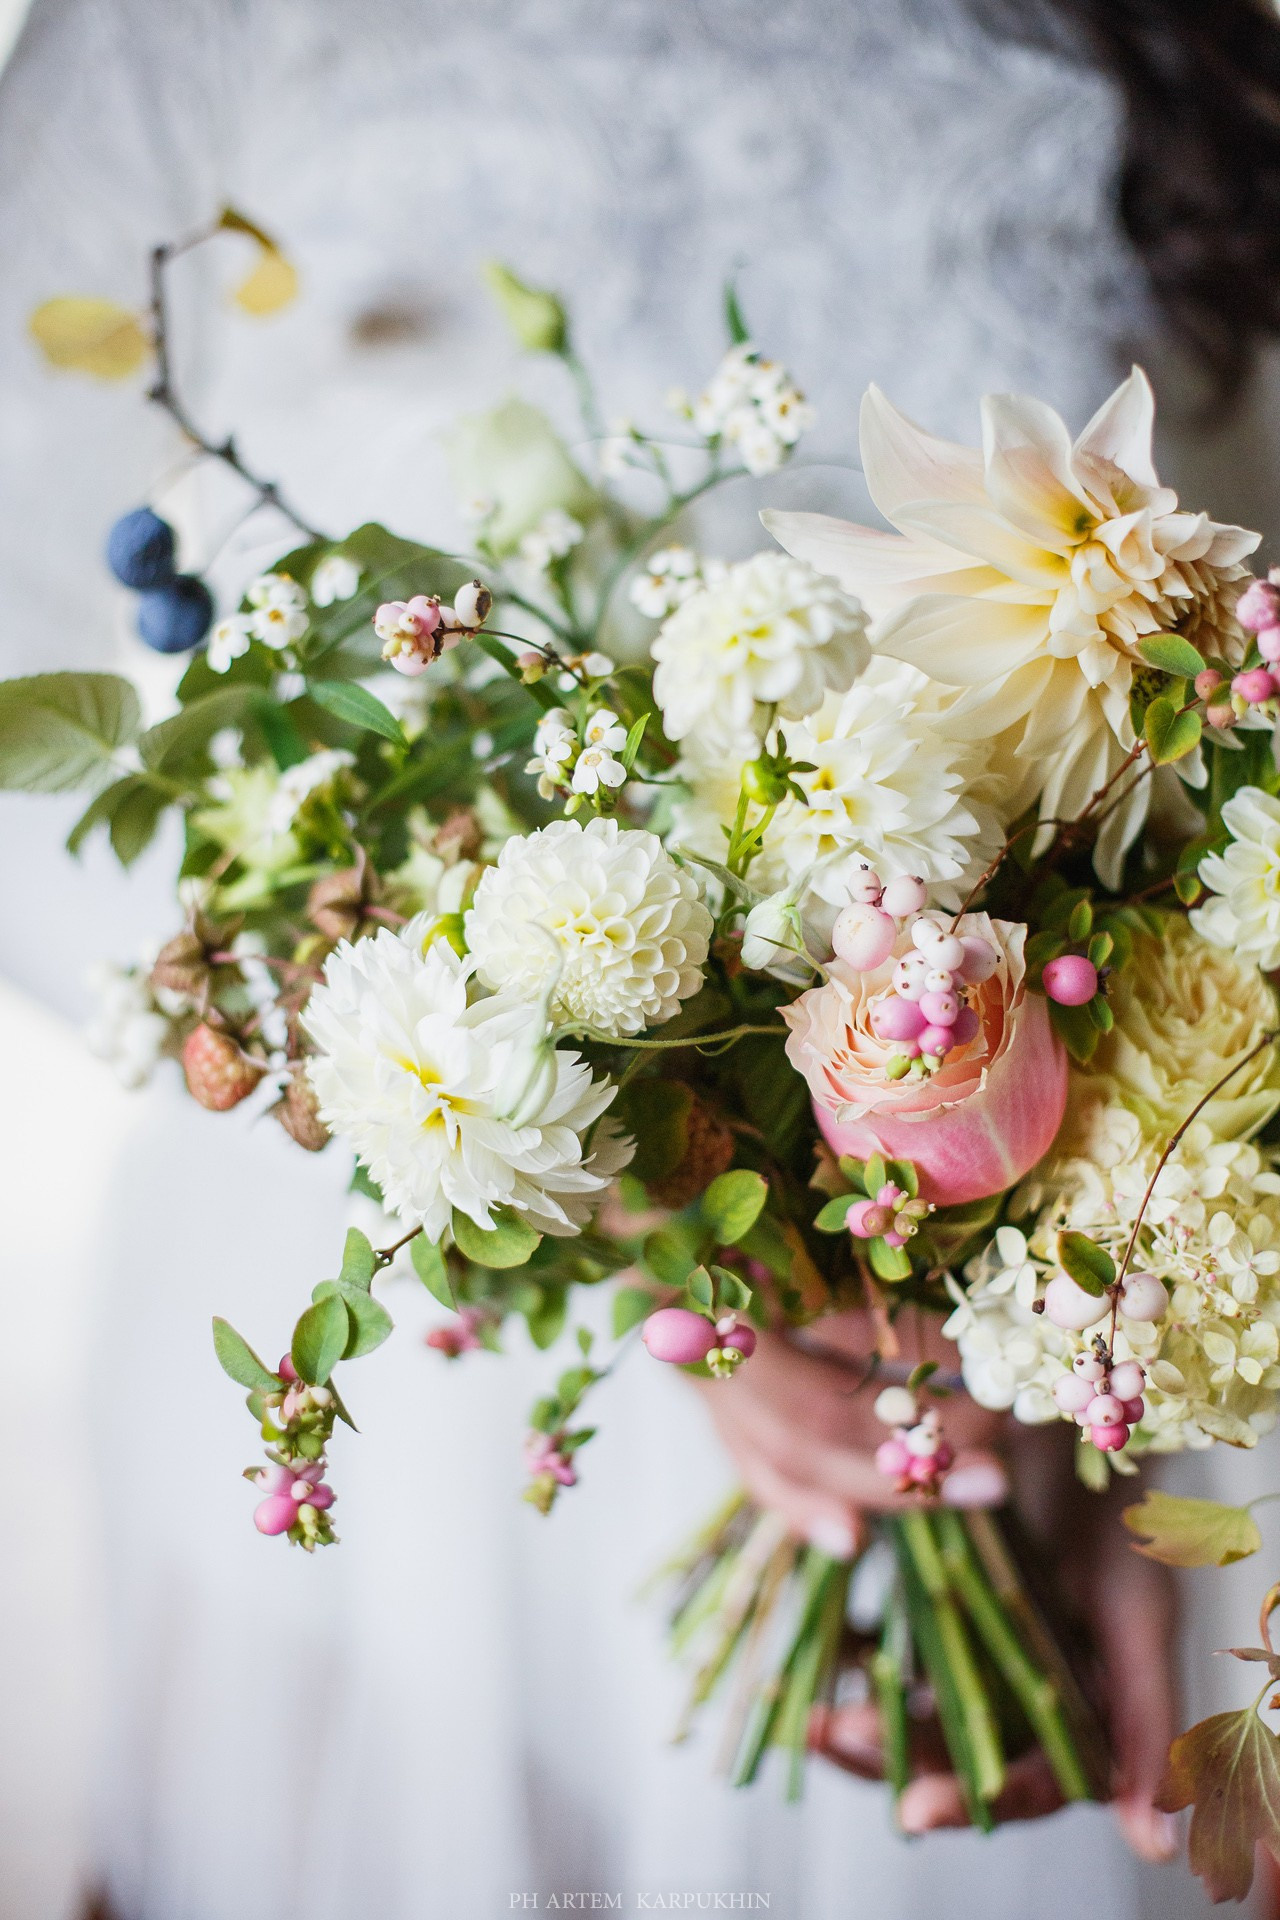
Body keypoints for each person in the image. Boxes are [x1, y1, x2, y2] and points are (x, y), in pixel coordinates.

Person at [2, 3, 1279, 1915]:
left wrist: (1079, 1339)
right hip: (433, 1271)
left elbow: (1219, 715)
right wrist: (645, 1218)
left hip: (999, 1324)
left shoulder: (1167, 46)